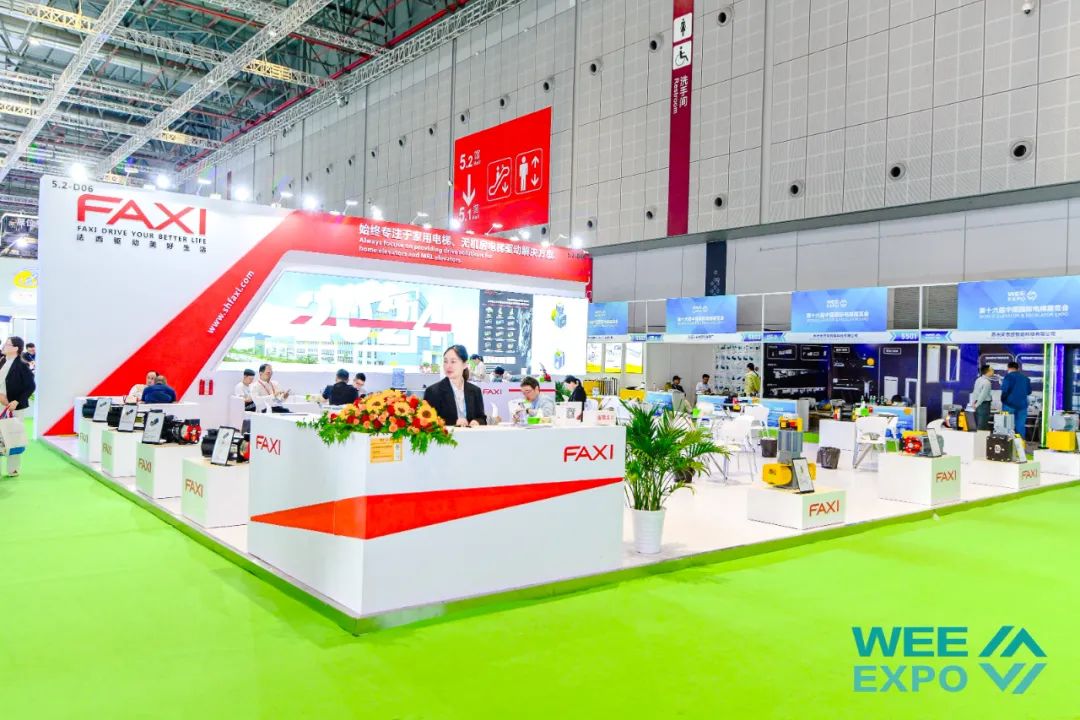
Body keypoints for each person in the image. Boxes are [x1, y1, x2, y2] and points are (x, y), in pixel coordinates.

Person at [423, 345, 486, 427]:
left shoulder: (475, 391)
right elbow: (427, 422)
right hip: (447, 435)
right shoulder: (433, 391)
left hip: (471, 435)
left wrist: (477, 422)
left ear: (464, 364)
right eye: (445, 361)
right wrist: (454, 422)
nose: (448, 366)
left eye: (453, 361)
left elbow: (482, 418)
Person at [0, 336, 34, 477]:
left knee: (13, 436)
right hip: (1, 404)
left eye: (7, 344)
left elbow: (30, 386)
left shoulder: (21, 365)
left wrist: (17, 401)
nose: (4, 346)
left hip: (13, 407)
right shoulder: (2, 361)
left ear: (15, 348)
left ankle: (13, 468)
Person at [999, 361, 1031, 438]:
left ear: (1008, 368)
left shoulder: (1008, 377)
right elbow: (1029, 392)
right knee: (1020, 425)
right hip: (1022, 405)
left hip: (1009, 404)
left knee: (1006, 425)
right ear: (1018, 368)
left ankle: (1007, 443)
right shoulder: (1026, 378)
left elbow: (1005, 390)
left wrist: (1003, 400)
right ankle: (1020, 443)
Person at [969, 364, 994, 431]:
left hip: (978, 403)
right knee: (982, 424)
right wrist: (976, 405)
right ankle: (981, 437)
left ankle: (980, 436)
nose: (993, 371)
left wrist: (974, 403)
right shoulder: (987, 382)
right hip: (983, 404)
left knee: (979, 423)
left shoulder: (978, 379)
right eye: (992, 370)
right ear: (988, 371)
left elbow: (975, 392)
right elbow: (983, 395)